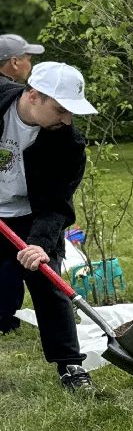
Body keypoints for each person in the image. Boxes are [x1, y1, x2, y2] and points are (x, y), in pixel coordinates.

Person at [0, 62, 93, 387]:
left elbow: (57, 204)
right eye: (61, 109)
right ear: (33, 95)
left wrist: (40, 243)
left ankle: (70, 366)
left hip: (31, 216)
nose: (67, 119)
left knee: (48, 283)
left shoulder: (67, 144)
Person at [0, 33, 42, 332]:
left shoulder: (27, 104)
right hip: (11, 205)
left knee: (13, 265)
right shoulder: (15, 99)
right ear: (14, 62)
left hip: (23, 207)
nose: (30, 62)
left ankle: (5, 316)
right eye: (27, 57)